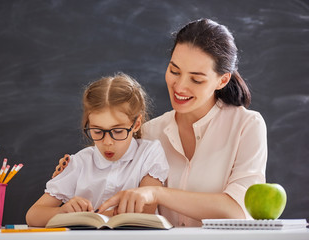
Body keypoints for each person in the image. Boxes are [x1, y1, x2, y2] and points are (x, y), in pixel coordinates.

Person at [52, 18, 267, 227]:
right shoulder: (149, 132)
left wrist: (156, 193)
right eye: (174, 71)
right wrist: (73, 172)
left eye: (196, 79)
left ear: (223, 80)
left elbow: (237, 210)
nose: (180, 86)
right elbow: (110, 183)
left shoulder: (246, 126)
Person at [26, 73, 169, 227]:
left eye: (118, 131)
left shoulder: (150, 153)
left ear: (136, 124)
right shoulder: (80, 162)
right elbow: (33, 216)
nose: (107, 142)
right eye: (98, 131)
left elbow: (145, 210)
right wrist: (62, 213)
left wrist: (86, 216)